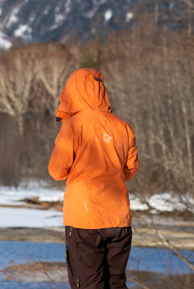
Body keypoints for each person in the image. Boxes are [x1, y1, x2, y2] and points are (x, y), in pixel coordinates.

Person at [48, 68, 139, 289]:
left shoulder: (72, 126)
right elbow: (130, 170)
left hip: (84, 218)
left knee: (89, 284)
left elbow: (57, 170)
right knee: (117, 282)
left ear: (71, 93)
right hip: (118, 218)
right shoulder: (123, 126)